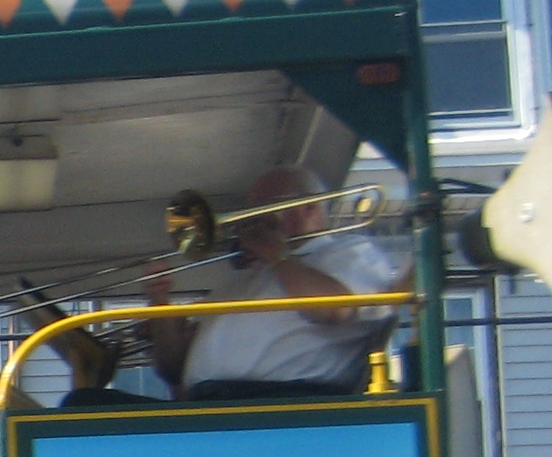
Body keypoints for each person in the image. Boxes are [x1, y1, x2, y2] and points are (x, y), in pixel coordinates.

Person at [148, 164, 407, 401]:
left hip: (283, 400)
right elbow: (173, 369)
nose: (252, 217)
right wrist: (159, 300)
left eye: (266, 206)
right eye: (252, 207)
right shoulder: (248, 277)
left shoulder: (349, 252)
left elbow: (333, 309)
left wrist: (276, 254)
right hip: (211, 403)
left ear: (310, 207)